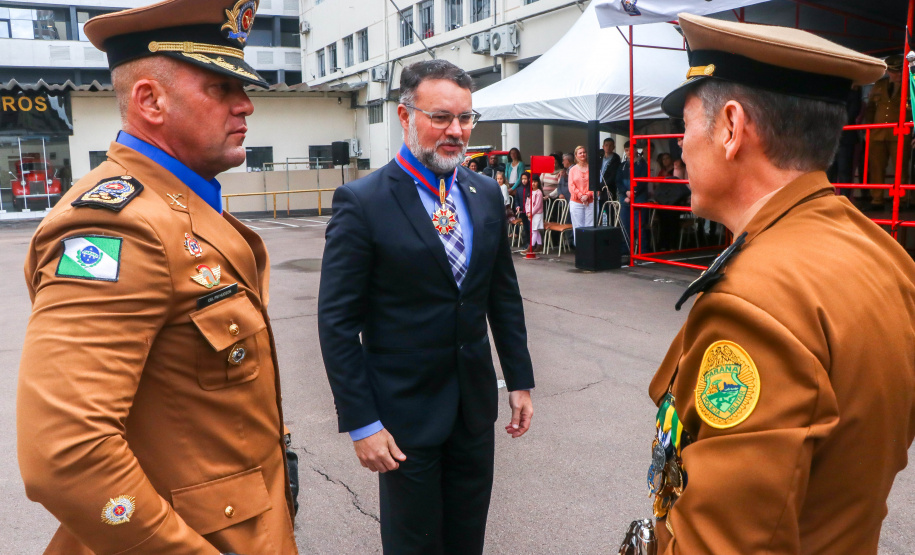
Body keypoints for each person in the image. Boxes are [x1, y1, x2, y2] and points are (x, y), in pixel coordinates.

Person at [15, 1, 299, 553]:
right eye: (220, 87)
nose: (246, 105)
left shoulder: (181, 206)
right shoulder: (115, 227)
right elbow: (66, 456)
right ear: (150, 100)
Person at [634, 13, 915, 554]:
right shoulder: (885, 255)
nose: (682, 146)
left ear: (732, 128)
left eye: (688, 125)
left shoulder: (752, 301)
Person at [318, 59, 535, 555]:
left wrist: (519, 378)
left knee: (466, 538)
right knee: (414, 544)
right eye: (440, 117)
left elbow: (502, 293)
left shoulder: (483, 193)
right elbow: (336, 324)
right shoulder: (363, 202)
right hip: (402, 418)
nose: (456, 131)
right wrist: (362, 422)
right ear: (404, 115)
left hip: (473, 410)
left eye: (465, 118)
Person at [863, 55, 910, 210]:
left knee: (900, 168)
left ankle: (900, 200)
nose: (897, 75)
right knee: (876, 166)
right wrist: (867, 129)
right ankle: (877, 200)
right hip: (878, 133)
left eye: (900, 71)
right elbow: (870, 108)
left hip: (901, 133)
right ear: (888, 71)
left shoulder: (911, 85)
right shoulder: (879, 85)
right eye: (893, 71)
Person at [618, 140, 649, 254]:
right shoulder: (622, 165)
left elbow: (643, 181)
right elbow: (618, 181)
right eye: (626, 150)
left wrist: (633, 193)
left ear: (636, 150)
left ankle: (643, 251)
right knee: (625, 225)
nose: (629, 152)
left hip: (639, 198)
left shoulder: (643, 164)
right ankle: (626, 249)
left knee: (639, 226)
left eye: (631, 149)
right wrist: (626, 192)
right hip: (625, 198)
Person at [568, 145, 593, 245]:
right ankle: (580, 250)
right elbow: (571, 186)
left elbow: (595, 184)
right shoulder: (572, 170)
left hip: (590, 201)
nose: (583, 154)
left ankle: (590, 249)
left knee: (590, 226)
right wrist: (581, 196)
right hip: (576, 201)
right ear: (576, 156)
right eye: (580, 153)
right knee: (578, 227)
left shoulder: (592, 168)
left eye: (584, 152)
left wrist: (587, 195)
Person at [526, 174, 544, 249]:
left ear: (538, 183)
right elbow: (527, 203)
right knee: (535, 229)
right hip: (531, 214)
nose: (533, 183)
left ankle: (531, 247)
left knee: (534, 230)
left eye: (535, 182)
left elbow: (537, 205)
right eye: (532, 182)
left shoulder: (539, 192)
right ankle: (539, 245)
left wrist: (531, 213)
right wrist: (528, 212)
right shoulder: (530, 192)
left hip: (537, 214)